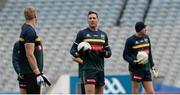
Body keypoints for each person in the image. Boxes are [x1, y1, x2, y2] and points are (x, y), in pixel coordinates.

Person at [70, 11, 111, 94]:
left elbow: (109, 52)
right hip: (88, 69)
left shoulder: (103, 35)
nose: (92, 20)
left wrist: (105, 53)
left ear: (97, 20)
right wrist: (78, 54)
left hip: (100, 69)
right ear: (87, 20)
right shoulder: (82, 33)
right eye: (90, 18)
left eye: (94, 18)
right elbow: (72, 50)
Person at [17, 6, 50, 94]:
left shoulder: (25, 28)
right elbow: (30, 54)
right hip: (31, 73)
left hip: (27, 72)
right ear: (35, 16)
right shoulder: (30, 31)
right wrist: (37, 73)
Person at [123, 21, 158, 94]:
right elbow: (125, 55)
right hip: (136, 69)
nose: (146, 29)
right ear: (140, 29)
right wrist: (133, 61)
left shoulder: (146, 38)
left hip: (146, 68)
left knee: (151, 92)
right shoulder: (130, 40)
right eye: (144, 28)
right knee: (135, 92)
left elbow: (149, 53)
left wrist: (153, 66)